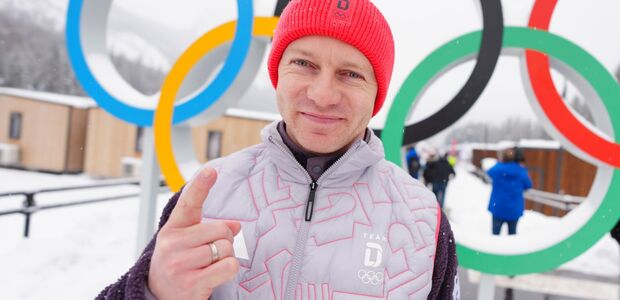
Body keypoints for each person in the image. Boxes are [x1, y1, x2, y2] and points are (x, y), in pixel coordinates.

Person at [97, 1, 459, 299]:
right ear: (278, 74)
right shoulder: (207, 194)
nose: (322, 95)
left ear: (376, 92)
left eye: (351, 74)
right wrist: (151, 291)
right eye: (304, 64)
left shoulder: (425, 221)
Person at [487, 148, 533, 235]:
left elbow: (489, 172)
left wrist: (500, 163)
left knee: (495, 236)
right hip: (514, 209)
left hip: (498, 207)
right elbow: (528, 185)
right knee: (512, 236)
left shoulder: (497, 168)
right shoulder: (521, 171)